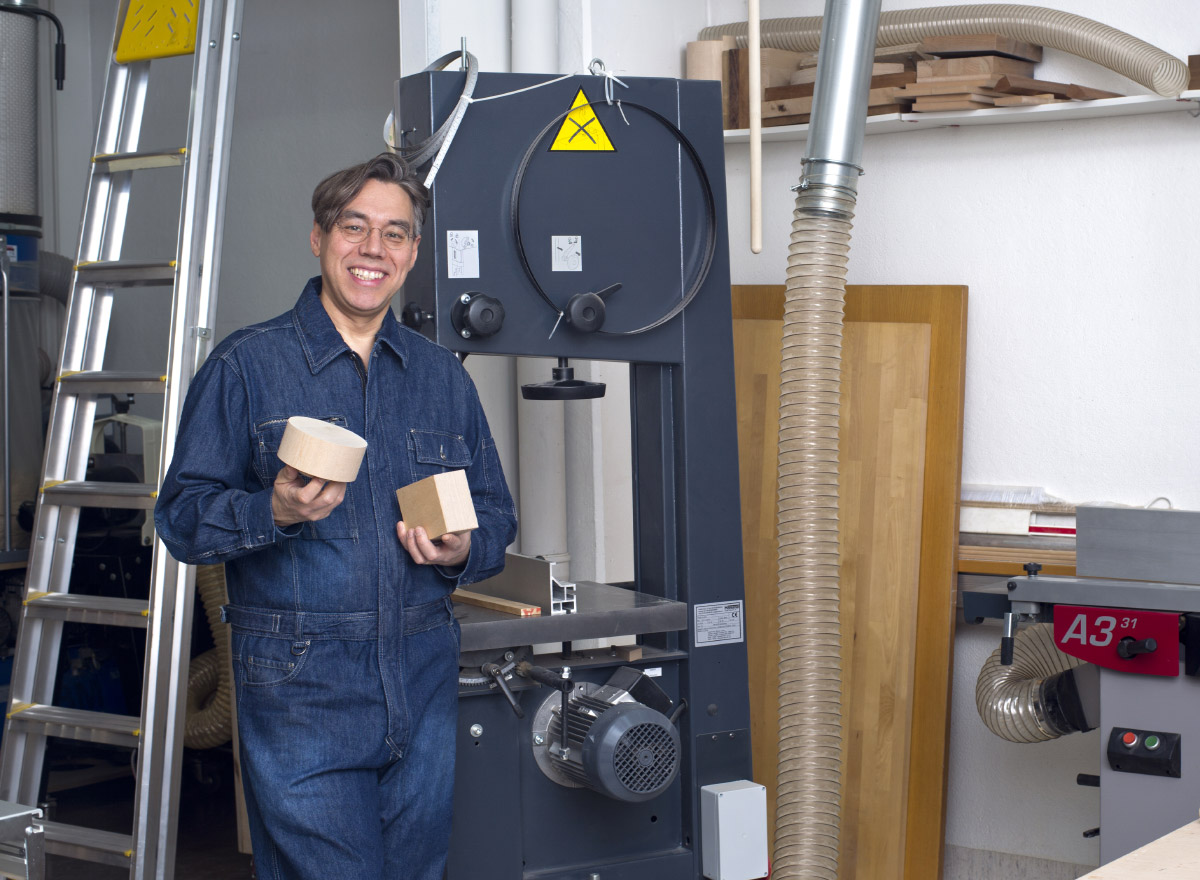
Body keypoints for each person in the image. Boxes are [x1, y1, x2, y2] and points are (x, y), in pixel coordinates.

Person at [154, 152, 517, 879]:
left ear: (413, 253)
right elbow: (181, 518)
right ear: (319, 238)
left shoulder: (441, 377)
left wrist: (460, 550)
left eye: (394, 233)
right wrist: (275, 510)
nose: (372, 249)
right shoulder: (246, 367)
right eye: (355, 227)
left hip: (421, 674)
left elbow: (497, 515)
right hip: (301, 685)